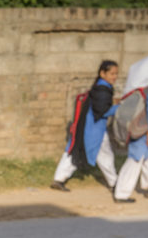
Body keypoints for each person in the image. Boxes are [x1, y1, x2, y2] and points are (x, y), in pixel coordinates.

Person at [51, 60, 119, 193]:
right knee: (105, 157)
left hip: (84, 128)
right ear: (102, 73)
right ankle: (115, 183)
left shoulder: (99, 87)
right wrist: (120, 108)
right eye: (112, 73)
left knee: (74, 152)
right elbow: (103, 111)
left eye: (116, 74)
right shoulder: (103, 90)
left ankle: (58, 179)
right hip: (95, 130)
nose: (114, 77)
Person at [113, 54, 148, 203]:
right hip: (141, 128)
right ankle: (121, 193)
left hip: (134, 124)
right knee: (135, 158)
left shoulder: (135, 84)